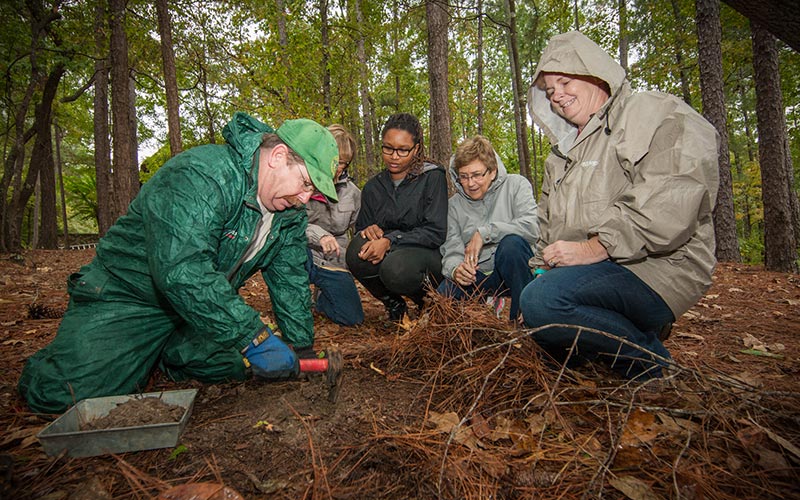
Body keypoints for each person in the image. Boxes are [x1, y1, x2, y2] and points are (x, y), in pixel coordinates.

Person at [18, 112, 340, 413]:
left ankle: (164, 355)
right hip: (129, 296)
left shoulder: (288, 213)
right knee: (61, 395)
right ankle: (121, 349)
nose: (304, 198)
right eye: (306, 183)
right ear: (278, 157)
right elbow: (182, 270)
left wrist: (301, 347)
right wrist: (251, 336)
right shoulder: (203, 176)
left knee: (234, 365)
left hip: (192, 312)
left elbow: (290, 277)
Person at [519, 31, 719, 380]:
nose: (558, 97)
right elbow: (547, 227)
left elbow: (674, 194)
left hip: (660, 266)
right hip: (596, 272)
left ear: (596, 74)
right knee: (540, 323)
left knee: (544, 304)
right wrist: (540, 271)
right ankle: (626, 328)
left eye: (565, 82)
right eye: (549, 92)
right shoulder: (561, 156)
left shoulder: (651, 113)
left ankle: (651, 365)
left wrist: (595, 246)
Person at [345, 113, 448, 322]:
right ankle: (394, 304)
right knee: (356, 251)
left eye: (403, 150)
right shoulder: (374, 187)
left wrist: (390, 241)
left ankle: (426, 300)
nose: (394, 156)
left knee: (396, 268)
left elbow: (436, 232)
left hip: (425, 254)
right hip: (390, 251)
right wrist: (369, 231)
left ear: (416, 149)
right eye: (388, 148)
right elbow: (361, 229)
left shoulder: (432, 177)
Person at [437, 135, 539, 321]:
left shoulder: (516, 185)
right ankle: (481, 326)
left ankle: (522, 320)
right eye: (464, 177)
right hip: (480, 276)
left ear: (492, 171)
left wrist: (485, 233)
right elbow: (451, 249)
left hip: (517, 270)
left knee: (512, 245)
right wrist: (456, 270)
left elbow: (532, 227)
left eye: (477, 175)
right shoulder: (454, 206)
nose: (470, 183)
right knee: (443, 294)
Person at [305, 125, 364, 326]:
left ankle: (322, 299)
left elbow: (360, 231)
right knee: (298, 311)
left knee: (351, 317)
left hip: (334, 262)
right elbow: (292, 224)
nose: (339, 168)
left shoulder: (353, 193)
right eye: (335, 160)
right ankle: (298, 296)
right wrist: (319, 236)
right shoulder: (302, 183)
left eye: (344, 163)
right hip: (304, 254)